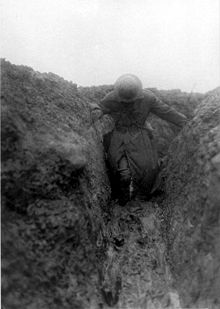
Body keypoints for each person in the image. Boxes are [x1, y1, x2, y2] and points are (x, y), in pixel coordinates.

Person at [91, 74, 187, 205]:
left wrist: (187, 123)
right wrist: (96, 111)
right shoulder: (112, 98)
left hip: (140, 137)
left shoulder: (148, 98)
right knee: (120, 171)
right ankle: (123, 198)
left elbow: (167, 112)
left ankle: (142, 197)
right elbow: (100, 107)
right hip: (119, 137)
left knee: (149, 169)